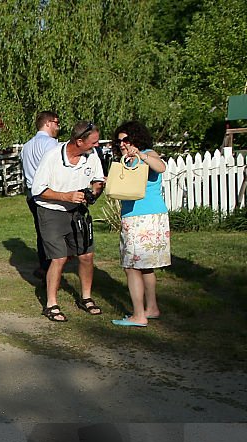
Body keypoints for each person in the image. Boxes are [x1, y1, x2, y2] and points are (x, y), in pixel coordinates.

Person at [30, 120, 105, 322]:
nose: (96, 146)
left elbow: (99, 180)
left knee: (86, 255)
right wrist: (67, 196)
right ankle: (51, 304)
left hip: (78, 211)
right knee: (59, 258)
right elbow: (38, 190)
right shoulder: (52, 157)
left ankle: (86, 297)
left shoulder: (91, 156)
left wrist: (94, 193)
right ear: (79, 141)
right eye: (93, 142)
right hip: (51, 211)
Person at [110, 121, 169, 327]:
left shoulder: (148, 154)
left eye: (126, 140)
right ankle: (151, 308)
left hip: (141, 218)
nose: (123, 144)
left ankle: (138, 315)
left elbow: (161, 167)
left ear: (136, 138)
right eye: (120, 142)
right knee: (145, 267)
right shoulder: (127, 159)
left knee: (131, 267)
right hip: (146, 217)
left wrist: (141, 156)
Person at [20, 111, 61, 278]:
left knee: (41, 231)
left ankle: (45, 265)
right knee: (53, 233)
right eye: (57, 123)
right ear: (48, 123)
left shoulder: (27, 146)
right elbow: (55, 169)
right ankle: (49, 269)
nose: (58, 127)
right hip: (46, 193)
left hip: (31, 193)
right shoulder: (51, 144)